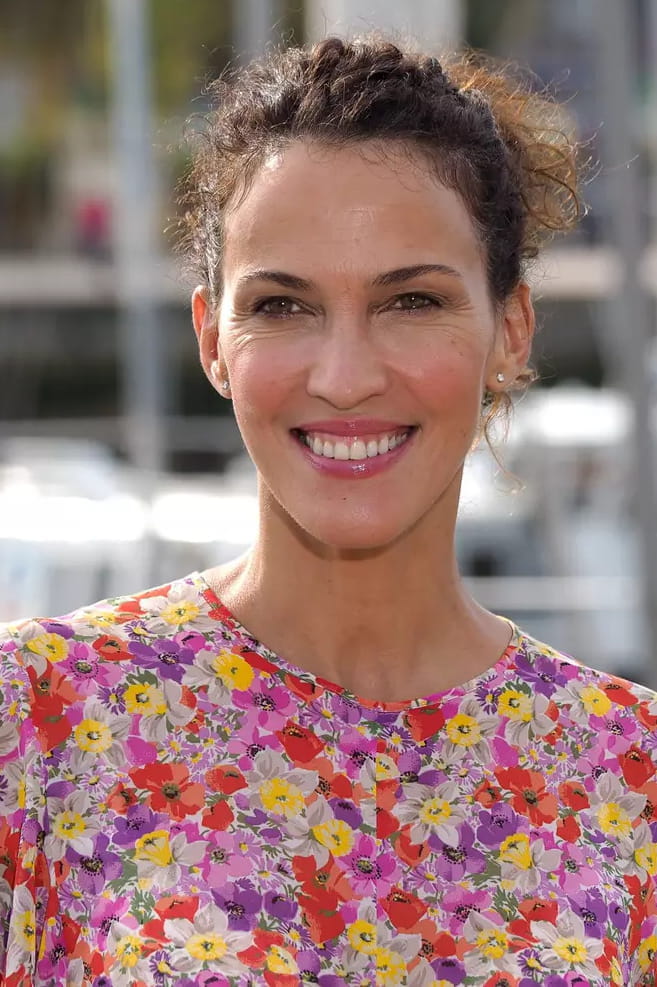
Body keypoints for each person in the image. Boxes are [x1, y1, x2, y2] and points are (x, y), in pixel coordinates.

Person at [1, 34, 655, 987]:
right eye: (281, 306)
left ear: (509, 333)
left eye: (412, 301)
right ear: (212, 339)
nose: (344, 377)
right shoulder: (41, 717)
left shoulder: (629, 772)